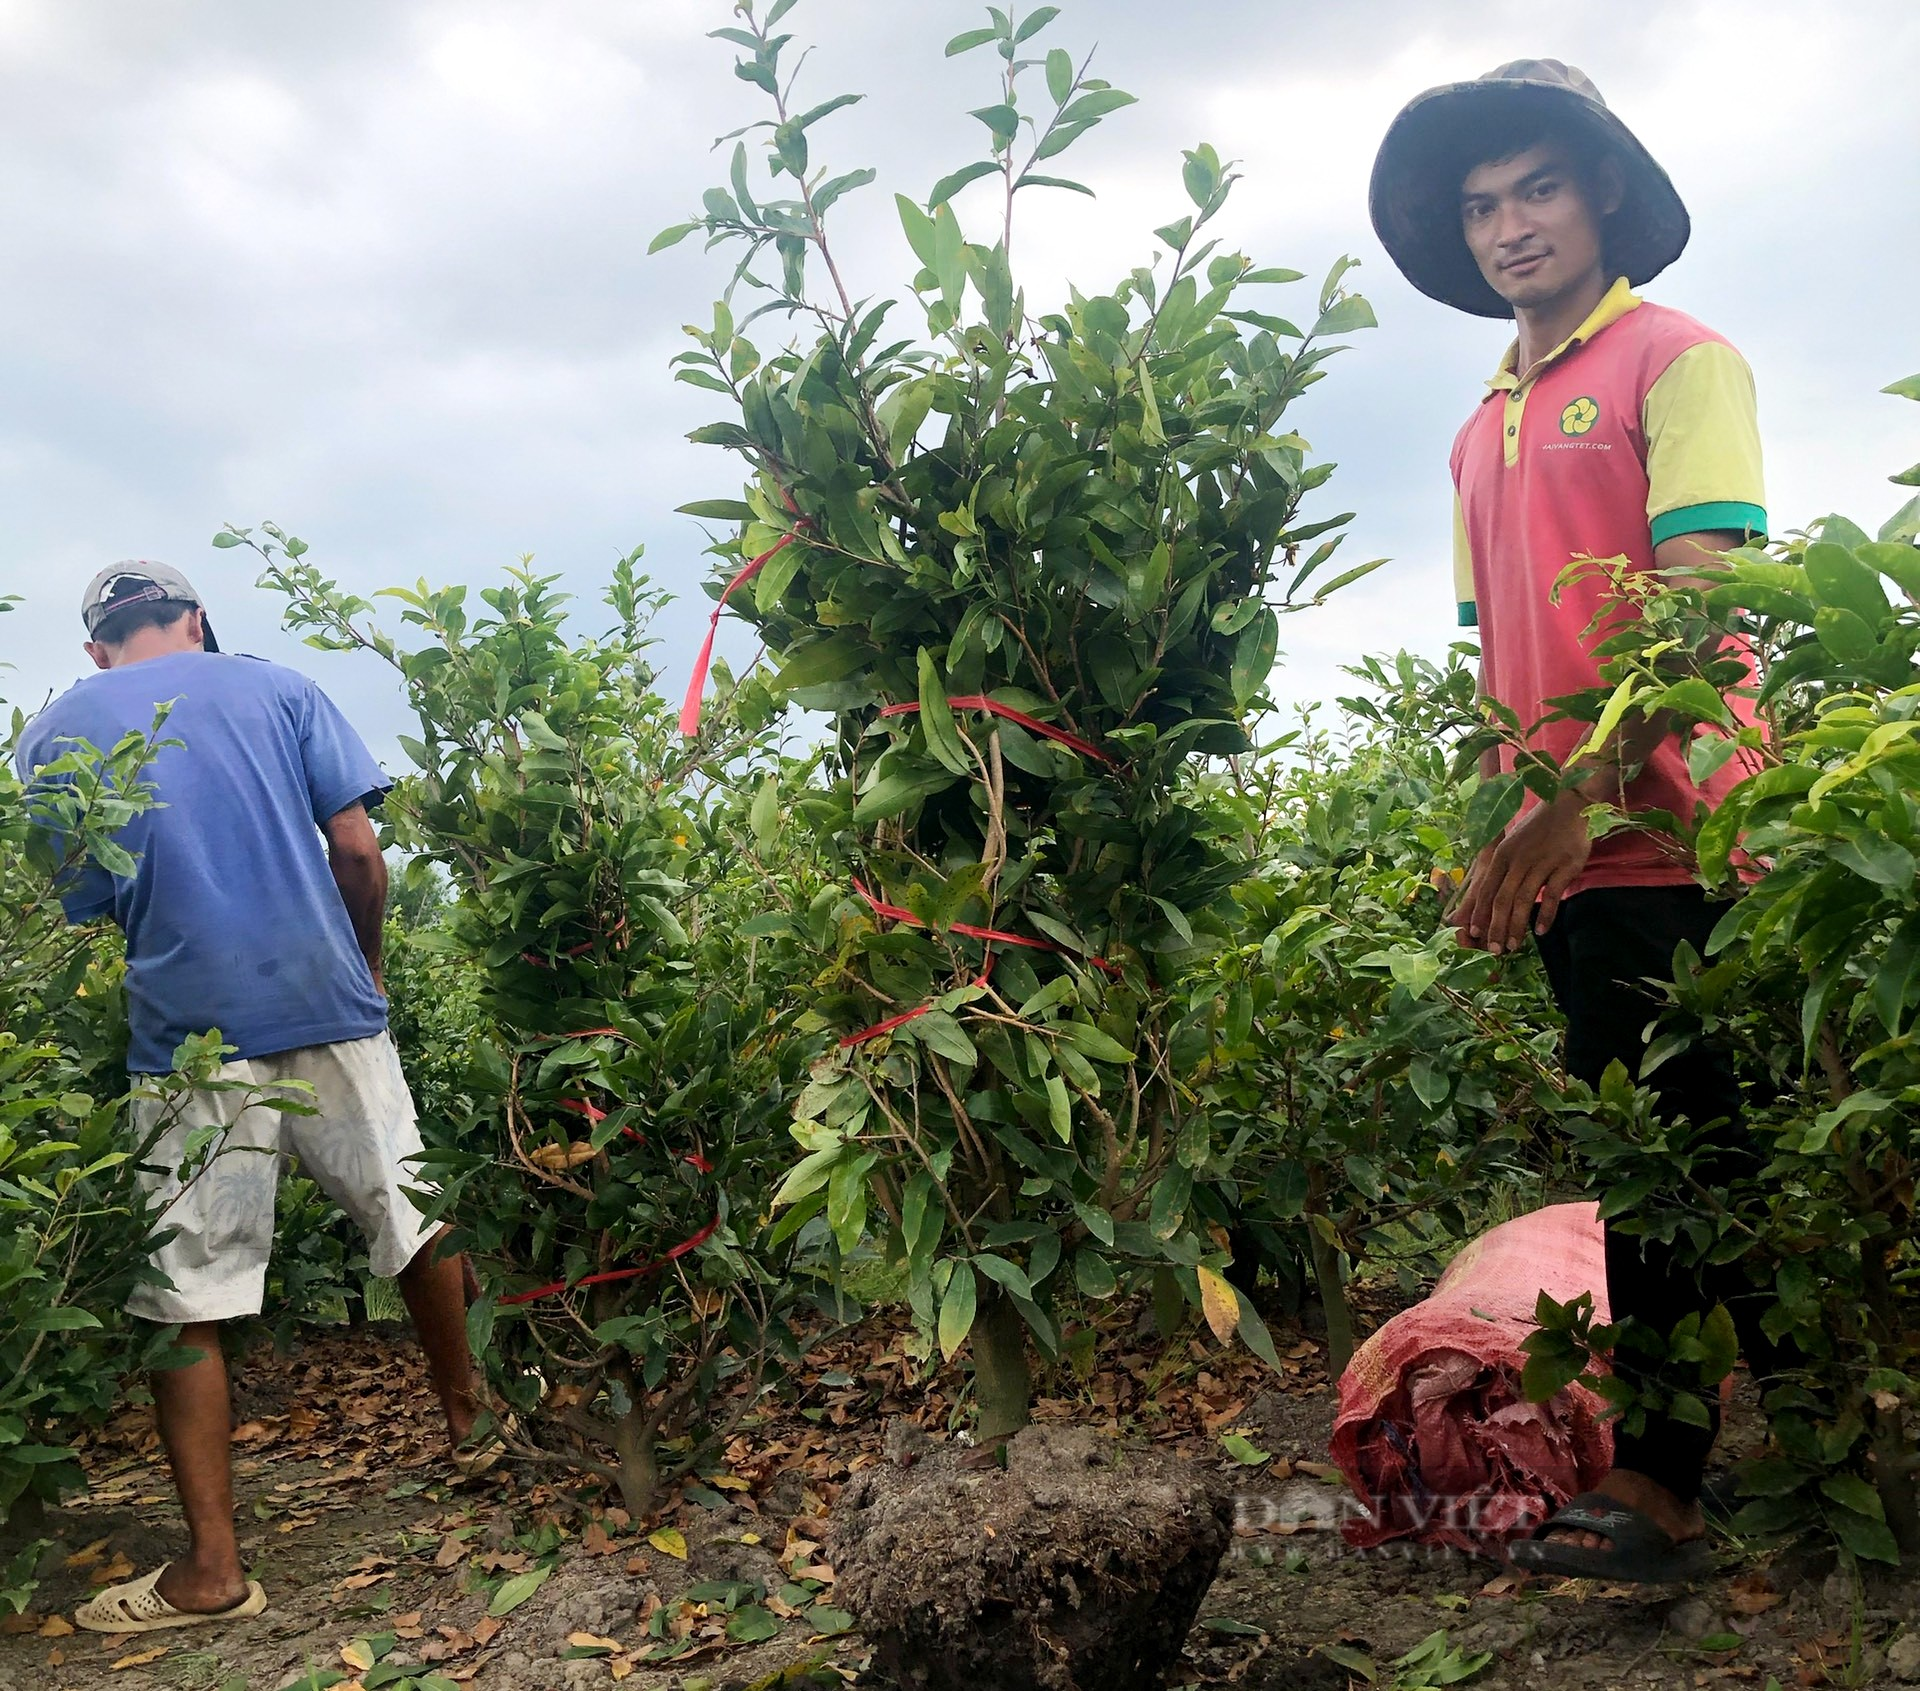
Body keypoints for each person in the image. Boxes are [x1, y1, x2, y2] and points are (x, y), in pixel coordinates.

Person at [1370, 62, 1775, 1582]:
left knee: (1693, 1158)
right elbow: (1496, 663)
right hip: (1566, 850)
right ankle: (1787, 1413)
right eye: (1480, 204)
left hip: (1685, 829)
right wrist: (1503, 820)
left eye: (1537, 187)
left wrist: (1589, 790)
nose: (1508, 224)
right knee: (1656, 1149)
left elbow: (1713, 592)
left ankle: (1670, 1480)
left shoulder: (1681, 359)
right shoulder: (1479, 428)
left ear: (1603, 192)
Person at [17, 563, 490, 1635]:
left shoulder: (54, 735)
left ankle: (214, 1570)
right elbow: (359, 853)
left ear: (98, 648)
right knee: (409, 1215)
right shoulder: (278, 688)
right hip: (331, 1007)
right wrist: (362, 971)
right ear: (195, 621)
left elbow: (84, 902)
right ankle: (478, 1425)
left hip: (188, 1039)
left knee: (189, 1291)